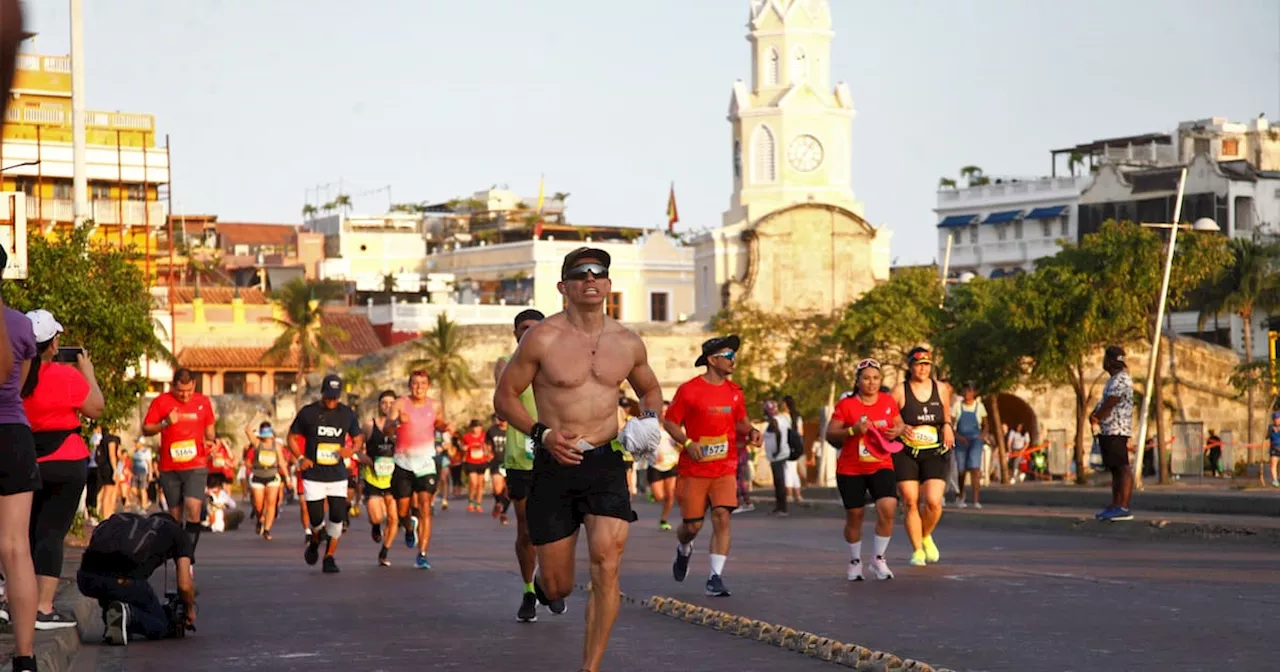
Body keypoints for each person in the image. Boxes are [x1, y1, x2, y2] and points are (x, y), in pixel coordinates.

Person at [493, 247, 662, 672]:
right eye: (580, 273)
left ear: (607, 285)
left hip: (605, 461)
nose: (590, 279)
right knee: (559, 584)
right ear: (563, 286)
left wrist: (649, 421)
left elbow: (651, 390)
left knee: (607, 561)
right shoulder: (542, 338)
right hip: (554, 464)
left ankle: (590, 667)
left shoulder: (627, 341)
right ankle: (546, 591)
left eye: (599, 273)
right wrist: (542, 434)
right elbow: (504, 397)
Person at [662, 334, 761, 598]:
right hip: (694, 469)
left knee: (722, 516)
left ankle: (715, 577)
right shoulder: (689, 390)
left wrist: (751, 431)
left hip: (724, 468)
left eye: (733, 356)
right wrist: (687, 442)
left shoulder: (735, 392)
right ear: (711, 359)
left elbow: (741, 421)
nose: (733, 361)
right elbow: (670, 422)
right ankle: (684, 549)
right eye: (728, 356)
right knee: (692, 526)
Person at [493, 308, 559, 623]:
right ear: (516, 334)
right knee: (527, 528)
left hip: (554, 452)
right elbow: (506, 398)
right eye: (524, 329)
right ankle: (529, 589)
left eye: (536, 328)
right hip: (521, 457)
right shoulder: (506, 364)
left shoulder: (557, 364)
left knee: (557, 526)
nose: (529, 332)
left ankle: (551, 582)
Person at [826, 358, 903, 581]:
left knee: (888, 507)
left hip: (881, 464)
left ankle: (878, 558)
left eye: (876, 378)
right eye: (866, 378)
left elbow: (898, 423)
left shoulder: (888, 401)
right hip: (851, 468)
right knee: (855, 515)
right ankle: (854, 561)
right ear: (858, 381)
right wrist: (853, 431)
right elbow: (830, 434)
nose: (871, 382)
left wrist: (897, 431)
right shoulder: (846, 405)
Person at [76, 512, 195, 645]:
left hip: (85, 579)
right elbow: (184, 585)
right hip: (122, 581)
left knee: (117, 586)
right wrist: (189, 609)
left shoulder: (127, 524)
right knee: (162, 625)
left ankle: (117, 619)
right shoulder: (178, 534)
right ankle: (129, 615)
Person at [290, 374, 363, 573]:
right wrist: (299, 458)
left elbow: (358, 438)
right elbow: (292, 437)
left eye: (335, 397)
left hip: (337, 475)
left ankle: (329, 557)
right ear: (322, 392)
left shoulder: (347, 414)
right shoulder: (308, 413)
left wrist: (352, 450)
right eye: (328, 396)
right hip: (313, 475)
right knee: (316, 520)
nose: (332, 401)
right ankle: (314, 541)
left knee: (338, 517)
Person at [141, 368, 216, 559]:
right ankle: (178, 556)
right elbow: (146, 429)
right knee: (175, 517)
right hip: (170, 467)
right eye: (181, 391)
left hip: (196, 465)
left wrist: (211, 442)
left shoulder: (203, 402)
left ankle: (187, 558)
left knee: (193, 508)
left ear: (195, 386)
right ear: (172, 386)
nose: (185, 395)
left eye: (189, 391)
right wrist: (165, 423)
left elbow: (209, 429)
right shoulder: (161, 402)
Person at [892, 346, 953, 567]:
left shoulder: (941, 388)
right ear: (910, 366)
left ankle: (925, 535)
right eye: (918, 364)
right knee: (910, 502)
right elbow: (891, 418)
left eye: (927, 364)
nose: (923, 368)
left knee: (934, 502)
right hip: (907, 451)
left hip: (935, 450)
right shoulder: (900, 390)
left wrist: (947, 426)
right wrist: (900, 426)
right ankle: (917, 550)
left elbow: (946, 415)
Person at [391, 371, 443, 569]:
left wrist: (445, 426)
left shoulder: (435, 405)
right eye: (415, 383)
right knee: (402, 510)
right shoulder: (400, 404)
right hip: (403, 462)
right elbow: (387, 428)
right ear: (409, 385)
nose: (419, 387)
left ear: (428, 386)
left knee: (425, 507)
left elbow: (438, 421)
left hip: (425, 462)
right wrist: (396, 422)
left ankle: (422, 554)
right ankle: (408, 526)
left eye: (423, 383)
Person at [1090, 345, 1134, 521]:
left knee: (1122, 467)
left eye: (1106, 358)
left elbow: (1111, 402)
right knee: (1115, 468)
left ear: (1111, 361)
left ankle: (1122, 506)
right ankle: (1115, 504)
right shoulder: (1114, 379)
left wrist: (1097, 417)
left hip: (1117, 429)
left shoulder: (1121, 380)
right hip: (1110, 430)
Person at [360, 390, 400, 566]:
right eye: (384, 403)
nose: (387, 406)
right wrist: (364, 458)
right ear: (379, 405)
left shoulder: (401, 427)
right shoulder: (369, 425)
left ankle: (384, 552)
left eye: (391, 403)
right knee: (376, 517)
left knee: (393, 518)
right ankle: (376, 526)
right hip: (373, 478)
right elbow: (356, 447)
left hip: (394, 478)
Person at [244, 421, 287, 540]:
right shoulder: (257, 443)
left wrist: (287, 477)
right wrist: (256, 417)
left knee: (271, 503)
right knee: (259, 505)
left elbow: (282, 462)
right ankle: (259, 519)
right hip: (258, 475)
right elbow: (247, 430)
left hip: (272, 475)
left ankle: (267, 529)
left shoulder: (276, 446)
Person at [951, 383, 988, 508]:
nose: (967, 393)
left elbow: (985, 424)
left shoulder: (979, 407)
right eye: (965, 391)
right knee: (961, 470)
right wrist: (957, 436)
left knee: (975, 469)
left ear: (974, 393)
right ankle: (961, 496)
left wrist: (982, 436)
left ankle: (976, 500)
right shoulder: (957, 406)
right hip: (961, 439)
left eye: (970, 391)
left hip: (975, 440)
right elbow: (950, 424)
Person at [646, 401, 679, 531]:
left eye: (666, 411)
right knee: (660, 496)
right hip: (656, 465)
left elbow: (682, 443)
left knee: (671, 495)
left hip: (671, 464)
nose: (664, 414)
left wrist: (680, 445)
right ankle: (653, 494)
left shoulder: (674, 427)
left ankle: (664, 519)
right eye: (662, 411)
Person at [763, 399, 792, 517]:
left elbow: (779, 434)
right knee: (778, 481)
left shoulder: (774, 421)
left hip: (777, 455)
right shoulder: (782, 419)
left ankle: (782, 508)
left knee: (779, 481)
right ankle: (779, 506)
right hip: (780, 453)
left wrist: (777, 451)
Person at [460, 419, 490, 512]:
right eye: (474, 427)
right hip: (470, 461)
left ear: (481, 428)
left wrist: (486, 450)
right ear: (471, 428)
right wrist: (464, 448)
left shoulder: (484, 436)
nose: (476, 429)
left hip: (482, 461)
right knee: (473, 482)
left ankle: (478, 503)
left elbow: (488, 448)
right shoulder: (467, 437)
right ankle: (470, 500)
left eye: (478, 427)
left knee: (480, 484)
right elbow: (462, 446)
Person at [485, 416, 510, 524]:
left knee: (509, 490)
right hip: (497, 462)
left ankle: (503, 513)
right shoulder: (492, 430)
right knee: (497, 488)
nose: (501, 422)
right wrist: (488, 452)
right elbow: (486, 443)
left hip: (511, 462)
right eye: (499, 419)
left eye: (503, 419)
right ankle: (499, 503)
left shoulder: (514, 430)